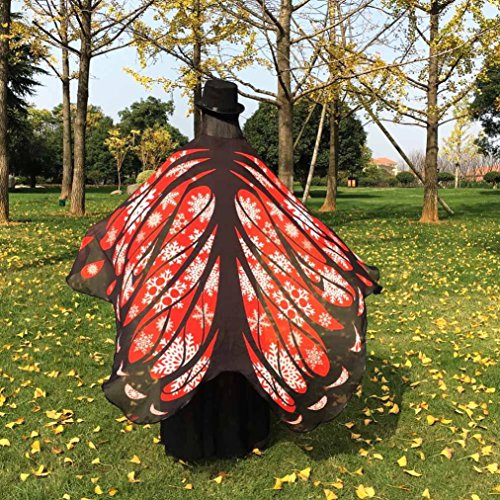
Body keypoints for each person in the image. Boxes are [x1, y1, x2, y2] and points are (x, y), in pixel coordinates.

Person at [65, 78, 381, 462]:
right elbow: (293, 221)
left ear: (203, 115)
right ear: (235, 117)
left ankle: (189, 440)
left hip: (191, 291)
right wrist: (342, 264)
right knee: (244, 345)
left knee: (191, 346)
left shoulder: (181, 165)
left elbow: (145, 214)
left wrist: (115, 245)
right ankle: (248, 433)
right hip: (250, 294)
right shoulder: (255, 168)